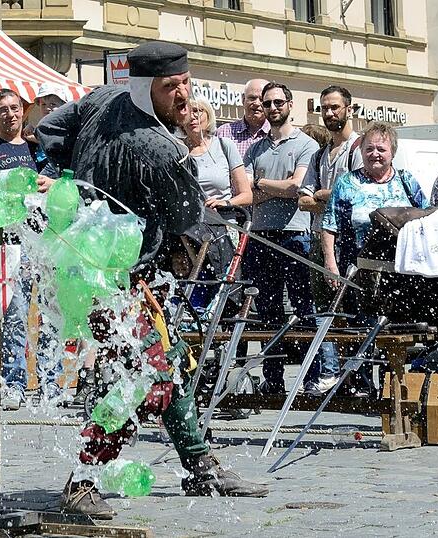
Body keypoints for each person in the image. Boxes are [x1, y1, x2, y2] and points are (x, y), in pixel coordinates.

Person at [38, 40, 268, 519]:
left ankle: (200, 465)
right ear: (147, 87)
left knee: (169, 361)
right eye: (171, 87)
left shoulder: (104, 97)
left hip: (98, 265)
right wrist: (189, 142)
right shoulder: (160, 147)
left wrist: (60, 175)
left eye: (186, 83)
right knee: (144, 376)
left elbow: (50, 126)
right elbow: (189, 215)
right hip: (108, 276)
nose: (182, 94)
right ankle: (81, 480)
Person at [0, 88, 63, 410]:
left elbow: (60, 186)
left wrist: (52, 185)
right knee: (14, 316)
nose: (10, 114)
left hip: (47, 240)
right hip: (10, 244)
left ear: (23, 111)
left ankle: (51, 382)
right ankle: (14, 384)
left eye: (15, 108)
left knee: (52, 313)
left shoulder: (39, 149)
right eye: (3, 110)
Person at [241, 81, 320, 394]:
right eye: (268, 103)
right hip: (261, 236)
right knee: (268, 312)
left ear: (290, 104)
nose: (273, 108)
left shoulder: (305, 144)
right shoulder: (257, 148)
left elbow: (296, 187)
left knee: (304, 309)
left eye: (278, 103)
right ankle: (273, 380)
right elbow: (246, 192)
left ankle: (313, 377)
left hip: (295, 235)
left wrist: (262, 184)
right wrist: (274, 187)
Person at [297, 85, 364, 394]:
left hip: (350, 241)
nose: (329, 113)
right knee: (324, 309)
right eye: (325, 108)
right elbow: (303, 199)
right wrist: (330, 194)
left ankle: (358, 377)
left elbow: (354, 195)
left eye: (335, 107)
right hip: (319, 239)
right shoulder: (320, 153)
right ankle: (331, 373)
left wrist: (324, 196)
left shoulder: (358, 148)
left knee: (355, 310)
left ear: (350, 109)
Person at [323, 122, 428, 281]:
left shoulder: (406, 180)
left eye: (381, 149)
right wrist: (330, 262)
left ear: (393, 152)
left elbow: (427, 217)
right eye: (369, 149)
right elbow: (329, 225)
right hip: (357, 269)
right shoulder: (347, 183)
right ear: (361, 151)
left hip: (404, 270)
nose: (374, 154)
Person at [183, 97, 251, 208]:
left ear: (208, 115)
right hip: (188, 222)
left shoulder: (224, 146)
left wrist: (224, 203)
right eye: (186, 112)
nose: (191, 117)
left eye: (196, 111)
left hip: (221, 221)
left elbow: (247, 195)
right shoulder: (177, 150)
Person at [215, 78, 270, 157]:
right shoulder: (224, 133)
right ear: (243, 99)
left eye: (262, 99)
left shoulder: (277, 135)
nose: (257, 103)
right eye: (252, 98)